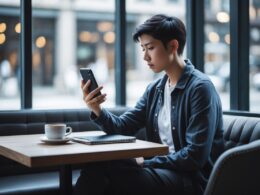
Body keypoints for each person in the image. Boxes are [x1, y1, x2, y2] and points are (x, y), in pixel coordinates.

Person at [74, 14, 224, 195]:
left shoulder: (200, 88)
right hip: (161, 171)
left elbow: (194, 157)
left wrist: (145, 161)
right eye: (143, 49)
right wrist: (96, 109)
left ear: (173, 46)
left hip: (191, 180)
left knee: (112, 173)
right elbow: (123, 127)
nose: (145, 57)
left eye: (150, 48)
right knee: (99, 164)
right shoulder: (156, 89)